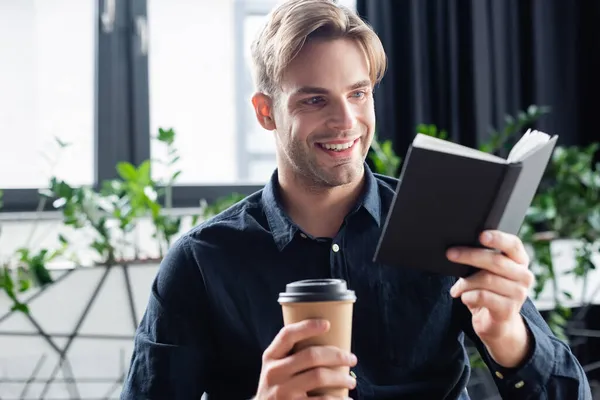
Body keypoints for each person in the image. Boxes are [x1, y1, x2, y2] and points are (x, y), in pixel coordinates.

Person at [121, 0, 592, 398]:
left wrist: (510, 336)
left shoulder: (447, 222)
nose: (346, 122)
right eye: (314, 100)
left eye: (358, 94)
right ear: (267, 112)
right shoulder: (202, 261)